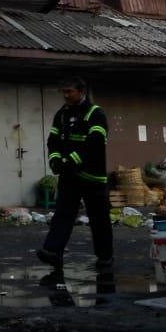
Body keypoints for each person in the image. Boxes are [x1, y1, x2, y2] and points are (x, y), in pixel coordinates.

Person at [37, 76, 113, 268]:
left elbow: (94, 144)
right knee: (62, 214)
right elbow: (52, 141)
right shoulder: (61, 115)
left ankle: (105, 256)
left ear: (81, 92)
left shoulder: (95, 113)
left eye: (70, 92)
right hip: (69, 177)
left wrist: (70, 161)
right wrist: (54, 160)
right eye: (64, 92)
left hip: (92, 178)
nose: (66, 96)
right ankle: (52, 251)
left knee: (99, 219)